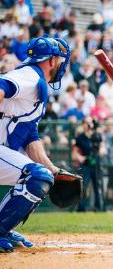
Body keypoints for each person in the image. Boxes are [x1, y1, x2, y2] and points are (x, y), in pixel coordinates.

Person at [0, 36, 71, 252]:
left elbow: (31, 138)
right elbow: (2, 85)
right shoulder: (29, 75)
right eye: (59, 60)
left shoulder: (36, 85)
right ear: (51, 61)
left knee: (43, 175)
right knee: (37, 176)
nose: (61, 65)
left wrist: (54, 170)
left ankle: (4, 225)